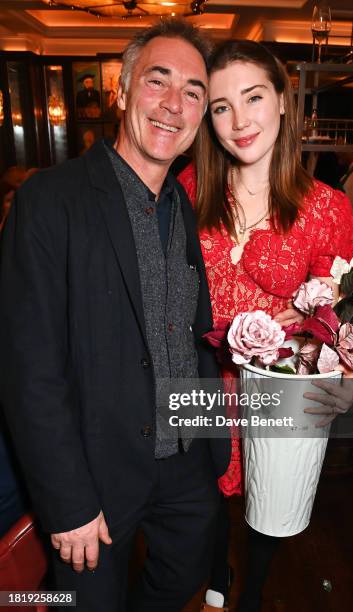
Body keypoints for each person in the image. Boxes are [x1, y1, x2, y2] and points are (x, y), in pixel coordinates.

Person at [0, 20, 230, 612]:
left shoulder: (185, 202)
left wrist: (211, 448)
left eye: (193, 92)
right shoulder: (50, 199)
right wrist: (67, 499)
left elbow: (188, 334)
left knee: (182, 577)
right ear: (123, 90)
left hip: (186, 462)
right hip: (93, 471)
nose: (174, 105)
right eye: (158, 82)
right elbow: (29, 368)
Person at [178, 40, 353, 612]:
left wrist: (315, 327)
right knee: (201, 501)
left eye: (253, 97)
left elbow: (346, 319)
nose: (239, 121)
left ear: (282, 101)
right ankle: (216, 574)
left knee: (271, 498)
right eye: (221, 106)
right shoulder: (185, 190)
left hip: (276, 386)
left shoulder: (327, 207)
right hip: (201, 380)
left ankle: (254, 590)